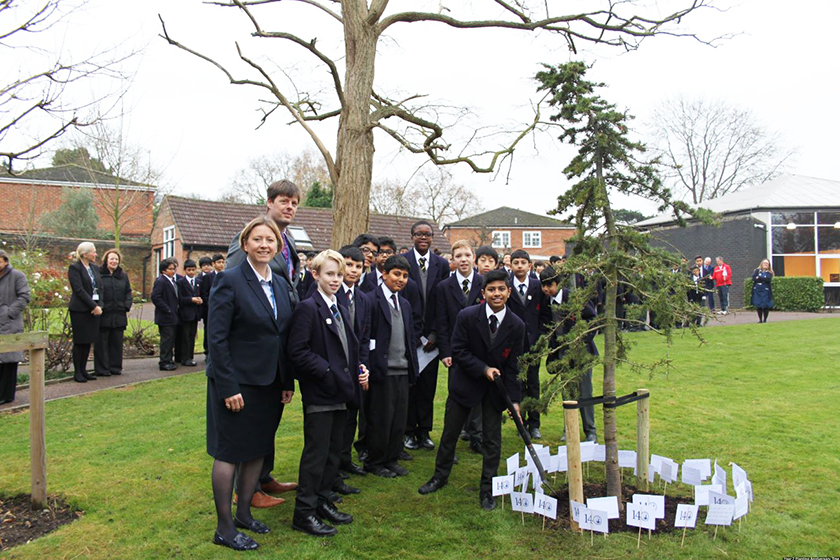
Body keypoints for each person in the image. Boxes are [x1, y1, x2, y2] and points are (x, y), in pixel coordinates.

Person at [205, 216, 295, 551]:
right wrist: (228, 387)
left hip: (269, 384)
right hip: (236, 384)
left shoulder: (281, 284)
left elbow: (282, 336)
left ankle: (244, 514)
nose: (263, 245)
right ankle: (224, 528)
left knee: (258, 447)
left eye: (270, 240)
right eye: (257, 239)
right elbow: (217, 339)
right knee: (229, 452)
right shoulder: (229, 280)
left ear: (278, 246)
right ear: (245, 245)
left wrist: (286, 380)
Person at [418, 269, 526, 511]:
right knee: (450, 434)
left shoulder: (517, 325)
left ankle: (487, 489)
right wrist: (484, 369)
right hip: (465, 384)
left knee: (492, 440)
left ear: (509, 292)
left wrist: (514, 401)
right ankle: (439, 476)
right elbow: (459, 350)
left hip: (494, 392)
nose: (496, 294)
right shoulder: (467, 316)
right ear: (483, 293)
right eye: (491, 289)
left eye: (501, 289)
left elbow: (514, 366)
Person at [225, 180, 301, 506]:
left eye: (294, 202)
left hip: (279, 346)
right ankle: (247, 489)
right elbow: (233, 286)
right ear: (268, 202)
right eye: (284, 201)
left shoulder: (288, 240)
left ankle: (264, 476)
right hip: (253, 351)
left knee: (270, 419)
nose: (290, 207)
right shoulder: (250, 239)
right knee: (251, 424)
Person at [287, 250, 368, 537]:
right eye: (329, 274)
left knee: (333, 452)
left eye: (339, 274)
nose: (335, 279)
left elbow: (347, 347)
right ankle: (304, 512)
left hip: (342, 392)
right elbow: (297, 351)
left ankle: (322, 501)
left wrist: (358, 368)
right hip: (321, 394)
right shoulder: (308, 308)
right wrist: (327, 371)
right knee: (316, 455)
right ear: (315, 275)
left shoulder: (340, 306)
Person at [364, 255, 420, 478]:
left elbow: (410, 337)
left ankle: (392, 458)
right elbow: (366, 336)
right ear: (384, 274)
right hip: (382, 370)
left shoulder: (404, 304)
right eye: (397, 274)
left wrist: (413, 368)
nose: (401, 279)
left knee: (399, 419)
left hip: (403, 370)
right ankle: (375, 461)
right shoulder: (371, 300)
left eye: (405, 276)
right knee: (381, 418)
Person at [401, 220, 449, 452]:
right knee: (410, 386)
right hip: (409, 335)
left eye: (427, 234)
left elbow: (444, 302)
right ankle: (409, 431)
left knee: (428, 388)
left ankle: (424, 431)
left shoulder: (442, 265)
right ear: (412, 237)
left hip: (432, 339)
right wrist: (415, 335)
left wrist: (435, 334)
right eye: (418, 234)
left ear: (432, 238)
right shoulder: (404, 262)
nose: (423, 237)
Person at [435, 240, 485, 453]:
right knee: (455, 394)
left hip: (480, 348)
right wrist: (445, 351)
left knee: (479, 393)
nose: (463, 260)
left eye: (466, 255)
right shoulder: (444, 287)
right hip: (456, 350)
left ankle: (477, 436)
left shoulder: (483, 283)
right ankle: (450, 441)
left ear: (474, 257)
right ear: (452, 260)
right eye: (458, 256)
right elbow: (441, 321)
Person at [540, 266, 598, 443]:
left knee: (584, 392)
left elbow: (592, 319)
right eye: (543, 286)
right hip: (562, 355)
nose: (546, 289)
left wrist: (580, 341)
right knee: (567, 392)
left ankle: (590, 431)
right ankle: (569, 429)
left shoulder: (574, 298)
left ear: (558, 283)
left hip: (581, 353)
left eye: (549, 285)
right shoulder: (546, 303)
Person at [335, 245, 372, 485]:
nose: (353, 270)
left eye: (358, 266)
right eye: (349, 265)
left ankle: (346, 459)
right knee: (336, 418)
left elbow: (365, 338)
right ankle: (334, 464)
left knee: (352, 415)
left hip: (355, 366)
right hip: (336, 366)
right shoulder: (331, 293)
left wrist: (363, 367)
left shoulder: (363, 299)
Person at [507, 249, 550, 440]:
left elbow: (545, 315)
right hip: (514, 344)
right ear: (510, 265)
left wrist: (540, 337)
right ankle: (521, 423)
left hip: (534, 344)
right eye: (516, 263)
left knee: (533, 384)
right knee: (517, 384)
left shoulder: (537, 286)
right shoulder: (506, 286)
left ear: (529, 266)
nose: (519, 266)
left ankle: (534, 423)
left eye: (523, 263)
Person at [68, 242, 102, 383]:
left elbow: (100, 287)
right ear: (85, 254)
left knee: (88, 341)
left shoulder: (94, 268)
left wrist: (99, 305)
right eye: (93, 252)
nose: (95, 254)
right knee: (80, 341)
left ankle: (84, 370)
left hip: (94, 310)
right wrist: (93, 305)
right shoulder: (74, 268)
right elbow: (79, 290)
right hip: (80, 310)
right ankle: (78, 372)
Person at [95, 249, 132, 377]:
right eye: (111, 259)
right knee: (102, 343)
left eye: (116, 259)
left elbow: (128, 292)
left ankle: (115, 367)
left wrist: (126, 305)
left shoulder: (123, 275)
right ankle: (102, 369)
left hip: (119, 314)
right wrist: (99, 306)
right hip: (104, 314)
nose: (114, 261)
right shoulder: (99, 274)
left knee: (116, 342)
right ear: (106, 260)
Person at [0, 250, 31, 403]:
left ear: (6, 261)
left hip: (10, 323)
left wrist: (9, 312)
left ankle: (6, 395)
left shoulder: (17, 276)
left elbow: (24, 296)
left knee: (9, 360)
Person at [152, 258, 180, 371]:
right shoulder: (161, 281)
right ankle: (164, 362)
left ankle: (169, 359)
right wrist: (167, 309)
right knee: (166, 340)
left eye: (174, 269)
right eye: (170, 269)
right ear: (163, 270)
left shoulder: (171, 281)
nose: (173, 271)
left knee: (171, 339)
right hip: (165, 317)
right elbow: (155, 297)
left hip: (172, 316)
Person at [176, 259, 203, 367]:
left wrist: (200, 300)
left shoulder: (198, 282)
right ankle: (184, 357)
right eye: (189, 270)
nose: (191, 272)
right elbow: (179, 299)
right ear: (185, 270)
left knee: (192, 336)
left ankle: (190, 357)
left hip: (195, 314)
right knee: (185, 336)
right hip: (184, 314)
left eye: (193, 270)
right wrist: (191, 299)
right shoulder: (180, 283)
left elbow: (201, 294)